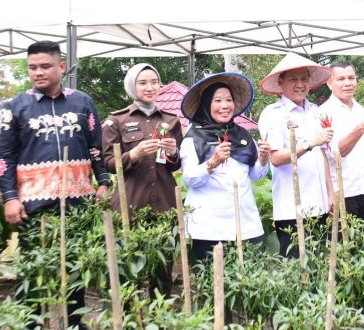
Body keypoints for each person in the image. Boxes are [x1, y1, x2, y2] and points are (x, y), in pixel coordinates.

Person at [0, 40, 110, 328]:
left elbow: (96, 147)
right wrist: (10, 197)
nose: (37, 72)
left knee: (75, 271)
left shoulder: (83, 102)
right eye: (32, 67)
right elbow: (3, 157)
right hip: (34, 207)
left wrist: (103, 182)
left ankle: (75, 323)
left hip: (78, 204)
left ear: (61, 67)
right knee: (34, 272)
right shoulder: (14, 107)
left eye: (45, 66)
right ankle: (32, 324)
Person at [102, 63, 182, 293]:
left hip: (164, 204)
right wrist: (134, 154)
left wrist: (172, 152)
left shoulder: (171, 120)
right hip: (130, 205)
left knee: (162, 270)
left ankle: (161, 319)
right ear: (132, 86)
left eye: (154, 82)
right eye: (143, 83)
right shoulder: (116, 121)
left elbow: (177, 164)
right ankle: (130, 319)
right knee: (128, 269)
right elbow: (108, 163)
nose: (150, 87)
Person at [179, 72, 271, 260]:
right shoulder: (193, 138)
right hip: (209, 228)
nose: (224, 106)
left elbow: (255, 175)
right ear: (206, 104)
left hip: (246, 223)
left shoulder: (243, 135)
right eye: (217, 101)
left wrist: (262, 159)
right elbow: (190, 180)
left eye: (228, 100)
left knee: (251, 281)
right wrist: (213, 162)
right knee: (212, 284)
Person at [257, 53, 334, 257]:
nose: (300, 84)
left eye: (304, 79)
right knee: (295, 267)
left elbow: (323, 155)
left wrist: (331, 194)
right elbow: (276, 158)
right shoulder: (273, 113)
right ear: (281, 83)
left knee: (319, 263)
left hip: (320, 206)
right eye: (293, 79)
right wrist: (309, 142)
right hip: (292, 208)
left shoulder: (316, 111)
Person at [319, 60, 364, 222]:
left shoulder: (361, 110)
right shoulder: (323, 113)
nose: (348, 83)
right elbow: (337, 153)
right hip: (341, 192)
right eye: (341, 79)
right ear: (329, 83)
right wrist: (361, 128)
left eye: (351, 78)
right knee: (343, 245)